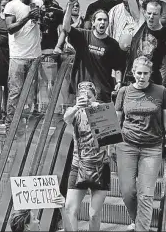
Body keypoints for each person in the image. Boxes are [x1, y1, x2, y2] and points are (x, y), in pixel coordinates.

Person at [110, 56, 166, 232]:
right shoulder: (124, 91)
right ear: (133, 73)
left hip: (152, 147)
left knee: (146, 193)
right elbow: (116, 118)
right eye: (138, 73)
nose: (141, 76)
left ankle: (141, 228)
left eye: (145, 73)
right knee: (127, 191)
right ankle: (137, 220)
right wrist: (110, 144)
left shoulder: (160, 91)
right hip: (126, 145)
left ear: (150, 74)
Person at [63, 82, 110, 231]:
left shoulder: (103, 110)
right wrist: (77, 106)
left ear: (95, 96)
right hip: (79, 165)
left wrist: (98, 112)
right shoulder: (74, 111)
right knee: (70, 208)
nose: (86, 99)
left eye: (89, 96)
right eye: (82, 97)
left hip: (100, 166)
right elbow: (66, 118)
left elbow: (111, 138)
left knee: (94, 213)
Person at [63, 0, 124, 103]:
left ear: (108, 24)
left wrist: (118, 82)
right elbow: (66, 27)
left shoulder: (113, 44)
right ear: (93, 23)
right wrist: (70, 6)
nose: (102, 22)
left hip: (102, 91)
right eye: (99, 19)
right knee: (81, 117)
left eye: (105, 20)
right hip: (82, 88)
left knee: (100, 119)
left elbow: (118, 66)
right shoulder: (83, 35)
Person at [3, 0, 42, 131]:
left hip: (35, 56)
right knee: (15, 93)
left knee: (33, 94)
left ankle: (30, 126)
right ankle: (10, 126)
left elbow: (42, 27)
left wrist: (41, 18)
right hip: (18, 57)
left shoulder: (38, 4)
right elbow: (10, 29)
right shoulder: (12, 6)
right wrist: (28, 17)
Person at [38, 0, 64, 107]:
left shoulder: (58, 11)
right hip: (36, 50)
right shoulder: (36, 8)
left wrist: (57, 48)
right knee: (40, 82)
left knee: (50, 81)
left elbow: (62, 31)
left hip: (50, 50)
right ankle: (42, 108)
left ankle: (52, 107)